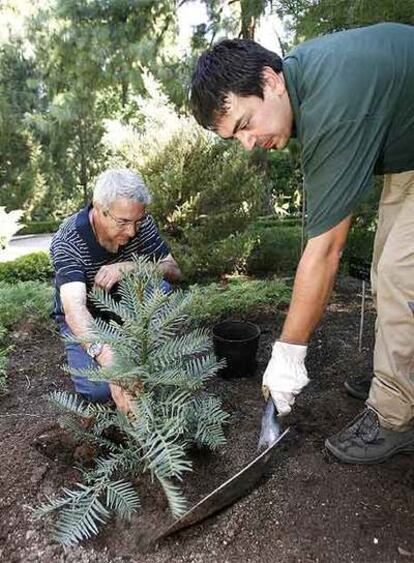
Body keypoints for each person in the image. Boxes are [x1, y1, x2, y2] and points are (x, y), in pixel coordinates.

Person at [190, 23, 414, 463]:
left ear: (271, 81)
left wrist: (288, 356)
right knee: (388, 264)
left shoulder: (334, 101)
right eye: (233, 137)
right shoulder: (307, 85)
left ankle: (395, 417)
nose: (248, 143)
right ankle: (399, 376)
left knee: (399, 274)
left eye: (245, 124)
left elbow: (326, 250)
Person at [50, 168, 182, 412]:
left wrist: (132, 267)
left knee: (162, 288)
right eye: (122, 222)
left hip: (128, 308)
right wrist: (112, 364)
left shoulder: (142, 225)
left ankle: (145, 354)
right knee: (99, 390)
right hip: (88, 317)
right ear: (99, 209)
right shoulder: (68, 240)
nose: (132, 232)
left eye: (137, 221)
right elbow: (74, 309)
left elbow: (174, 270)